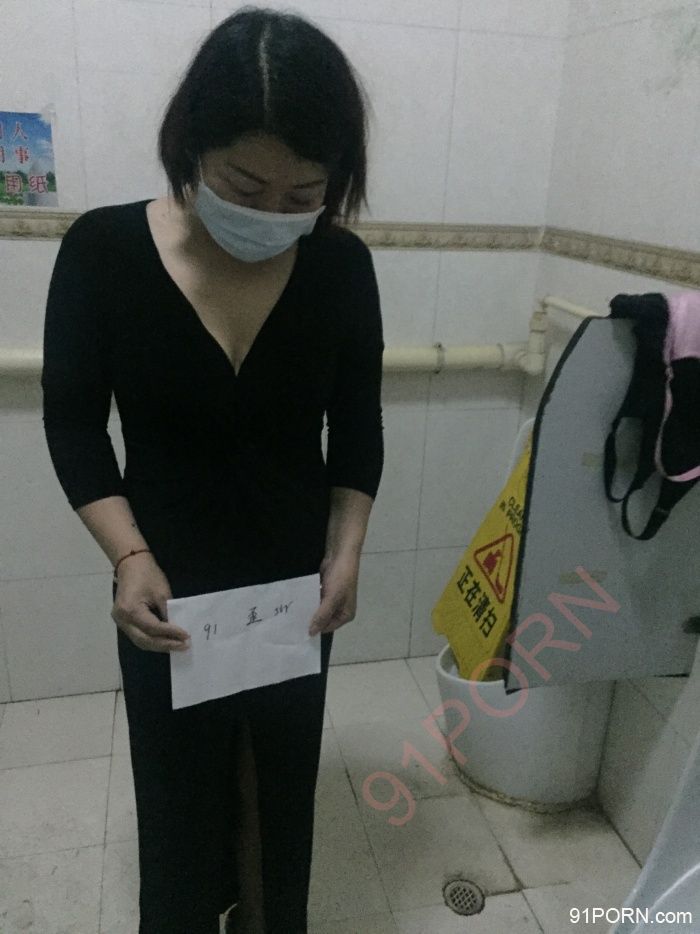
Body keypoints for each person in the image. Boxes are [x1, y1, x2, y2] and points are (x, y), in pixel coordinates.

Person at [41, 7, 385, 933]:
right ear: (192, 147)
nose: (274, 214)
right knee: (177, 787)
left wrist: (348, 551)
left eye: (304, 192)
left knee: (281, 787)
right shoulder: (103, 252)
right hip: (165, 576)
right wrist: (128, 557)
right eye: (245, 184)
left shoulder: (340, 266)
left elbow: (358, 429)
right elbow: (73, 424)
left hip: (294, 584)